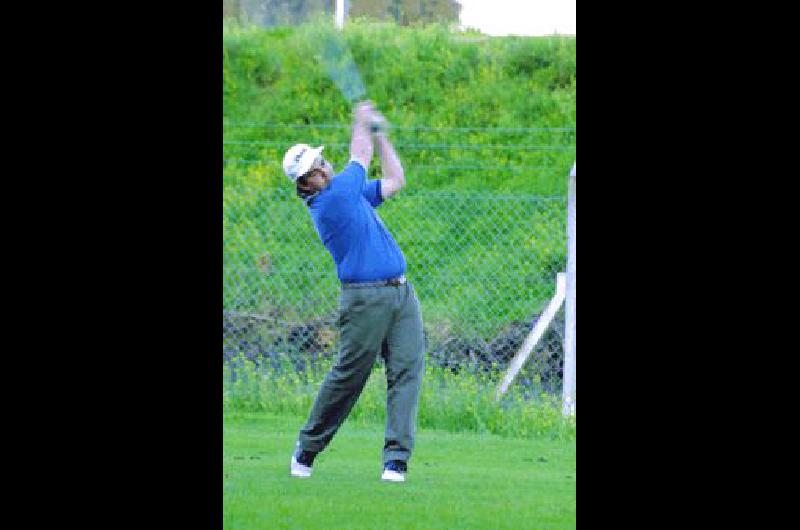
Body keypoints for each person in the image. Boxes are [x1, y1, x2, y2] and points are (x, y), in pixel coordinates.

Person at [281, 101, 425, 483]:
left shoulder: (348, 193)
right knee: (349, 376)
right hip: (365, 299)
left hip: (400, 294)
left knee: (407, 370)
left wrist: (381, 136)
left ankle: (396, 461)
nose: (324, 166)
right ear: (307, 181)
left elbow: (395, 181)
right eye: (317, 166)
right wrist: (361, 120)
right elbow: (358, 154)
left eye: (321, 163)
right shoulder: (332, 200)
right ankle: (307, 448)